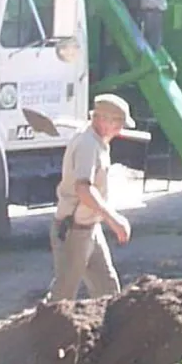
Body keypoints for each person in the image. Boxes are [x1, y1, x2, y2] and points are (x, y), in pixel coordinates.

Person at [47, 94, 134, 303]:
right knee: (62, 298)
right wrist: (113, 219)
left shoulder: (97, 141)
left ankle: (111, 333)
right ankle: (41, 334)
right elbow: (83, 190)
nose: (120, 130)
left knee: (108, 288)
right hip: (73, 231)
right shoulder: (87, 145)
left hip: (89, 228)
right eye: (119, 124)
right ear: (103, 120)